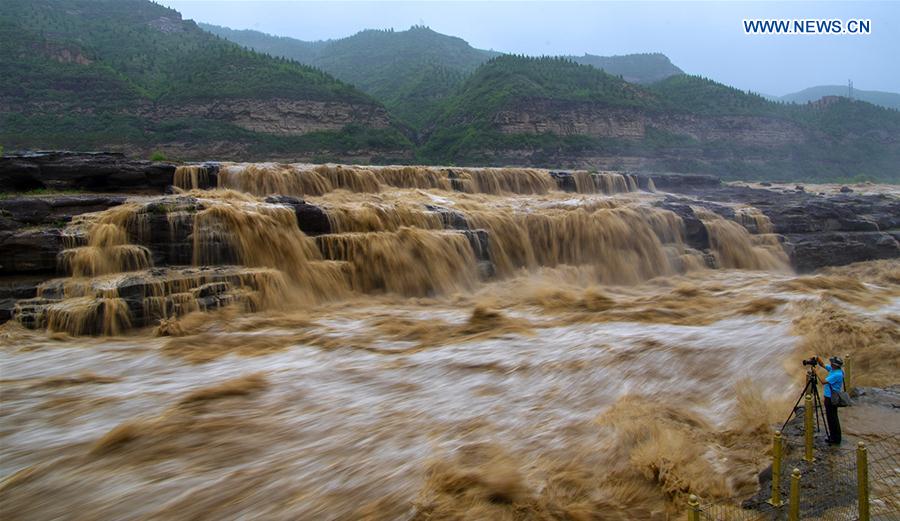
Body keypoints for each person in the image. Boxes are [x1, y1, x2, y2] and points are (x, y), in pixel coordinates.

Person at [815, 356, 844, 444]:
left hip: (831, 398)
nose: (830, 363)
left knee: (832, 418)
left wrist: (815, 372)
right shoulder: (835, 370)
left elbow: (823, 382)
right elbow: (823, 365)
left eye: (832, 363)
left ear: (835, 365)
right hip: (830, 397)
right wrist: (817, 358)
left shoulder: (836, 374)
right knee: (832, 417)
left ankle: (835, 439)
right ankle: (834, 436)